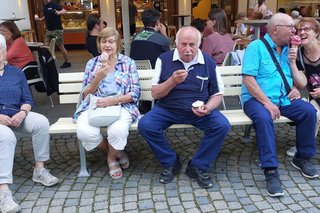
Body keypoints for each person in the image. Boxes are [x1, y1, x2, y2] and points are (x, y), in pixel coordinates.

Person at [138, 26, 230, 188]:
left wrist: (207, 108)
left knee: (221, 125)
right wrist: (172, 81)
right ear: (176, 43)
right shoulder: (164, 59)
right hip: (167, 109)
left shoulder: (208, 62)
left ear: (199, 45)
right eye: (183, 44)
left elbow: (217, 94)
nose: (187, 49)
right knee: (146, 125)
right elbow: (155, 94)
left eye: (192, 45)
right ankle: (171, 161)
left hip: (198, 111)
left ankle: (198, 165)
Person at [241, 13, 318, 197]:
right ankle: (270, 170)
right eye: (290, 26)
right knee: (263, 117)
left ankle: (302, 157)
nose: (294, 30)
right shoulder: (256, 47)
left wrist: (293, 86)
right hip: (256, 100)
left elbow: (295, 80)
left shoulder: (289, 50)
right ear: (275, 29)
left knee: (308, 111)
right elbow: (248, 80)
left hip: (283, 99)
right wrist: (267, 103)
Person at [0, 34, 59, 213]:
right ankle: (3, 190)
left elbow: (27, 99)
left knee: (41, 122)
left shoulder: (16, 72)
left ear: (4, 51)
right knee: (7, 136)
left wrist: (22, 112)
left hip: (17, 114)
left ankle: (39, 170)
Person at [74, 27, 140, 180]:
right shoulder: (92, 63)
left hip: (122, 105)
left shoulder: (128, 63)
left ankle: (111, 159)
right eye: (104, 41)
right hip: (96, 106)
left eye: (111, 41)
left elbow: (134, 93)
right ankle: (117, 152)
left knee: (117, 131)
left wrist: (113, 100)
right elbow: (84, 95)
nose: (107, 45)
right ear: (99, 44)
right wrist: (97, 78)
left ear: (118, 44)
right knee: (85, 132)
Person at [286, 17, 320, 157]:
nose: (302, 32)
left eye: (307, 29)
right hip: (316, 98)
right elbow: (302, 81)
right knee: (313, 113)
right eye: (300, 29)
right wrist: (292, 62)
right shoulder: (299, 53)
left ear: (316, 33)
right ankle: (304, 146)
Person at [35, 0, 71, 69]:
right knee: (45, 46)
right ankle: (48, 62)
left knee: (60, 46)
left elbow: (64, 11)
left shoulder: (54, 4)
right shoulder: (44, 6)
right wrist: (40, 19)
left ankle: (67, 62)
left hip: (57, 30)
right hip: (49, 30)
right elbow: (46, 16)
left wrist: (59, 12)